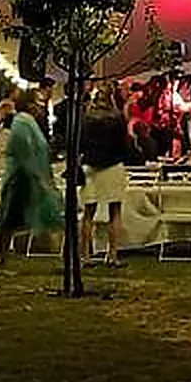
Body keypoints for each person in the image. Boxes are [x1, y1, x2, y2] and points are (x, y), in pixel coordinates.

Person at [0, 94, 62, 274]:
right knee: (9, 219)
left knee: (13, 220)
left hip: (25, 176)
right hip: (20, 178)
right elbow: (22, 150)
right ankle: (2, 261)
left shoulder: (26, 123)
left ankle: (5, 259)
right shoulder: (22, 124)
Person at [79, 92, 130, 266]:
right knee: (115, 212)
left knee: (88, 213)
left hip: (91, 166)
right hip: (113, 165)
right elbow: (124, 143)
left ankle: (85, 254)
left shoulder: (86, 119)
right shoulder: (117, 119)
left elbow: (81, 142)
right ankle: (113, 254)